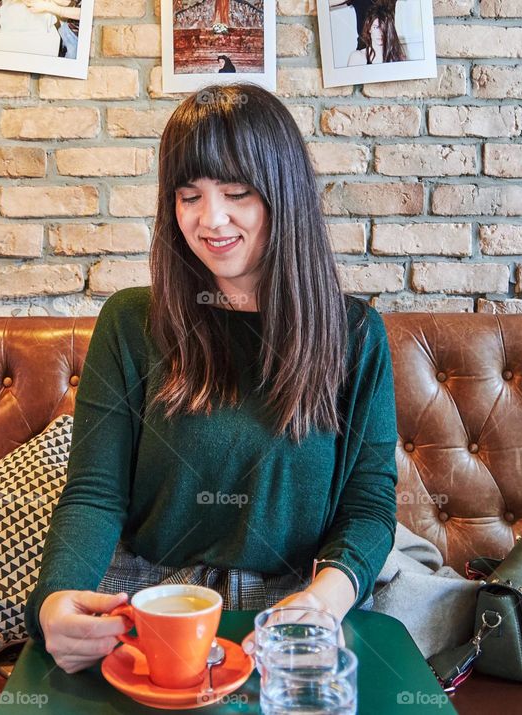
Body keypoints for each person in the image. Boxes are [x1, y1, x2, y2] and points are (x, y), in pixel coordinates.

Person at [25, 82, 399, 675]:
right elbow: (95, 493)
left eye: (236, 193)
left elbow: (369, 503)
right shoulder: (129, 322)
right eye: (188, 195)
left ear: (283, 195)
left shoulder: (355, 334)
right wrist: (53, 600)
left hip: (298, 602)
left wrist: (326, 599)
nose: (210, 219)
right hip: (151, 596)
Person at [339, 0, 406, 65]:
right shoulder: (358, 57)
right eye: (376, 27)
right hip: (364, 53)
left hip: (387, 50)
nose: (380, 32)